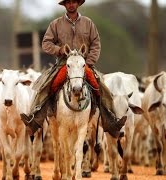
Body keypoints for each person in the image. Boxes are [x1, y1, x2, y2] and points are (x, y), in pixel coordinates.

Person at [20, 0, 127, 138]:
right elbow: (46, 43)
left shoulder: (88, 23)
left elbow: (96, 44)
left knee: (101, 88)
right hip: (63, 64)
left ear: (78, 4)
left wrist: (88, 62)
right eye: (68, 2)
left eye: (74, 2)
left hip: (84, 65)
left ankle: (112, 122)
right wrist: (59, 50)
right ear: (65, 5)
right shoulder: (56, 24)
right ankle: (33, 121)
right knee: (44, 86)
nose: (71, 4)